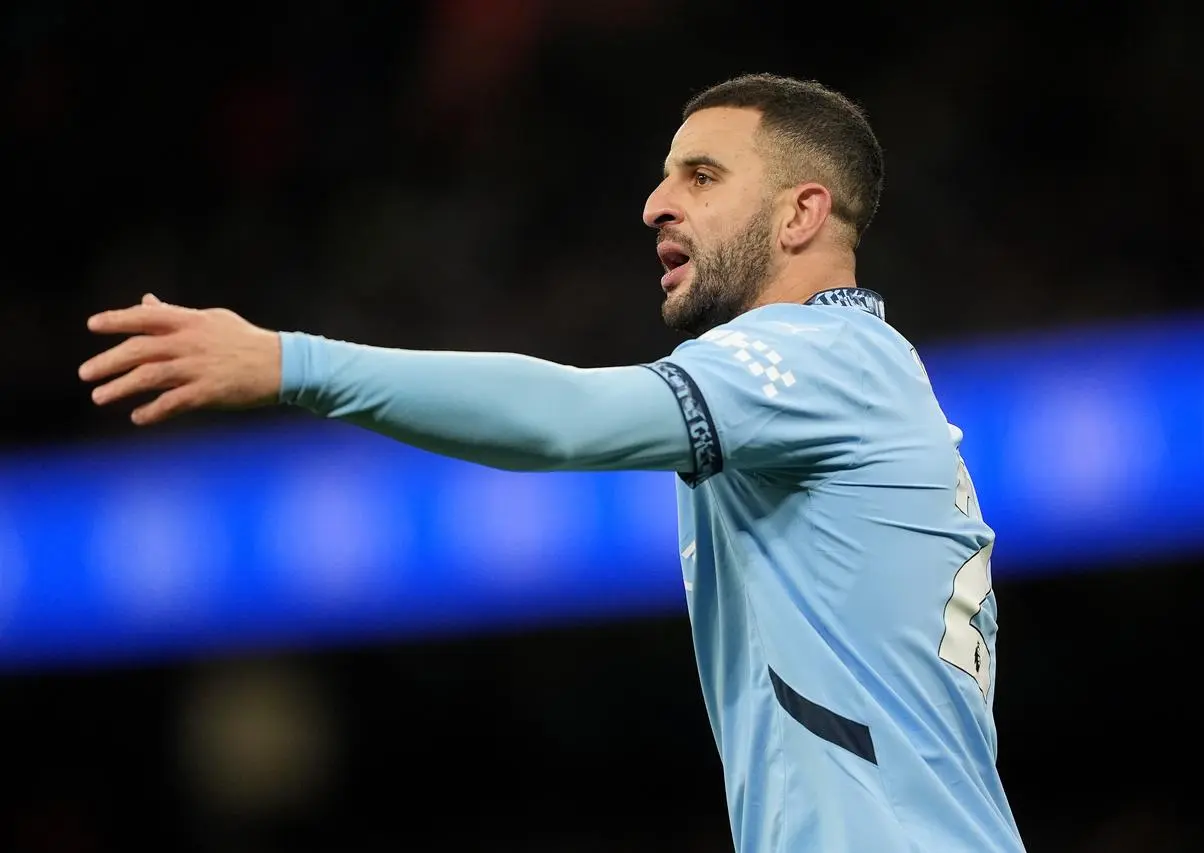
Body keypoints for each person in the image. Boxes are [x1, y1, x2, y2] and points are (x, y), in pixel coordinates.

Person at [80, 73, 1025, 851]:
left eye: (701, 176)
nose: (656, 203)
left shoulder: (819, 361)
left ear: (800, 214)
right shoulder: (851, 373)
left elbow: (565, 416)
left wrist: (296, 363)